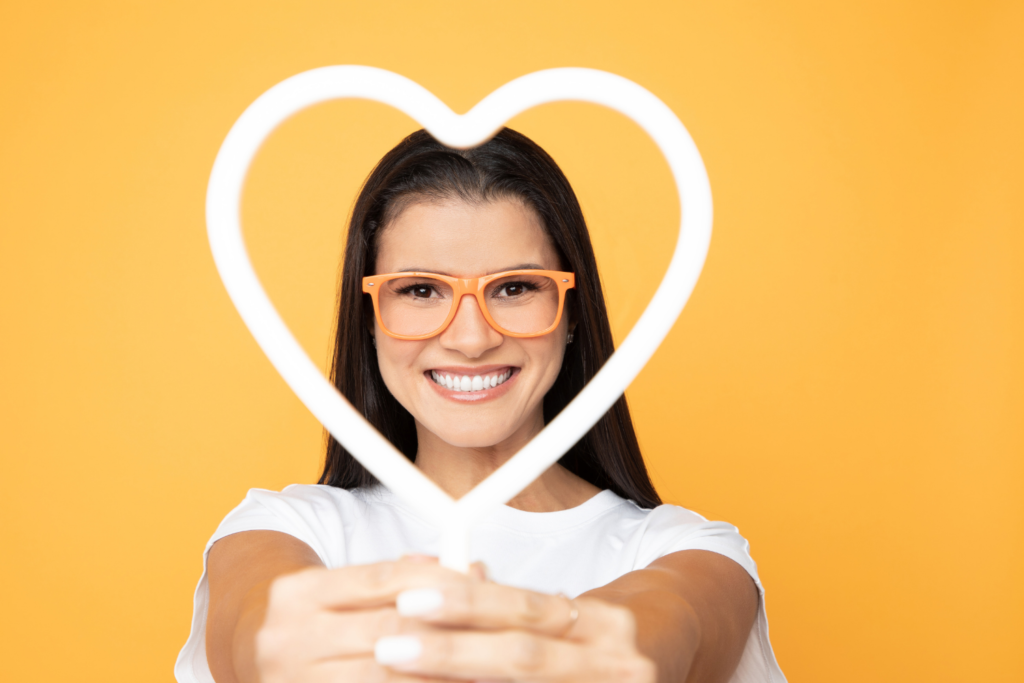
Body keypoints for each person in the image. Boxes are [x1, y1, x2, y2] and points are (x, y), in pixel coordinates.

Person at [175, 128, 786, 683]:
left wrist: (593, 647)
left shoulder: (684, 549)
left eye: (516, 288)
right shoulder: (287, 527)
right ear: (370, 322)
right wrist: (279, 649)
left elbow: (677, 621)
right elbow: (252, 624)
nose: (471, 339)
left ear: (571, 315)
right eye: (419, 290)